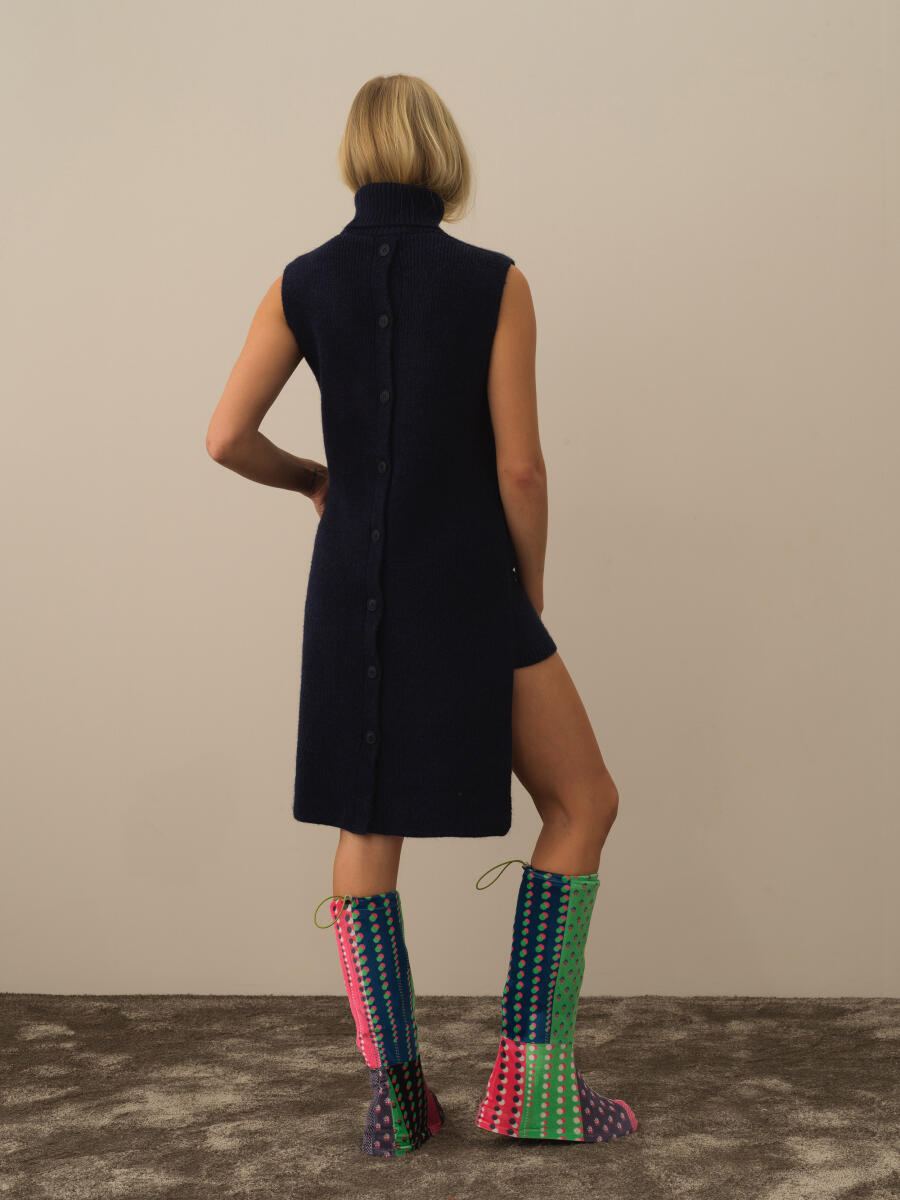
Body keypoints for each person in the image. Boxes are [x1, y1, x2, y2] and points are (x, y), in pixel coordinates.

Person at [206, 73, 636, 1156]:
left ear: (356, 157)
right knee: (581, 800)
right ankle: (534, 1084)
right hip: (468, 581)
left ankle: (397, 1100)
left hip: (351, 585)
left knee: (367, 827)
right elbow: (521, 468)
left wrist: (317, 479)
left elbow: (225, 438)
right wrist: (527, 587)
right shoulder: (495, 281)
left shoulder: (302, 282)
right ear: (443, 154)